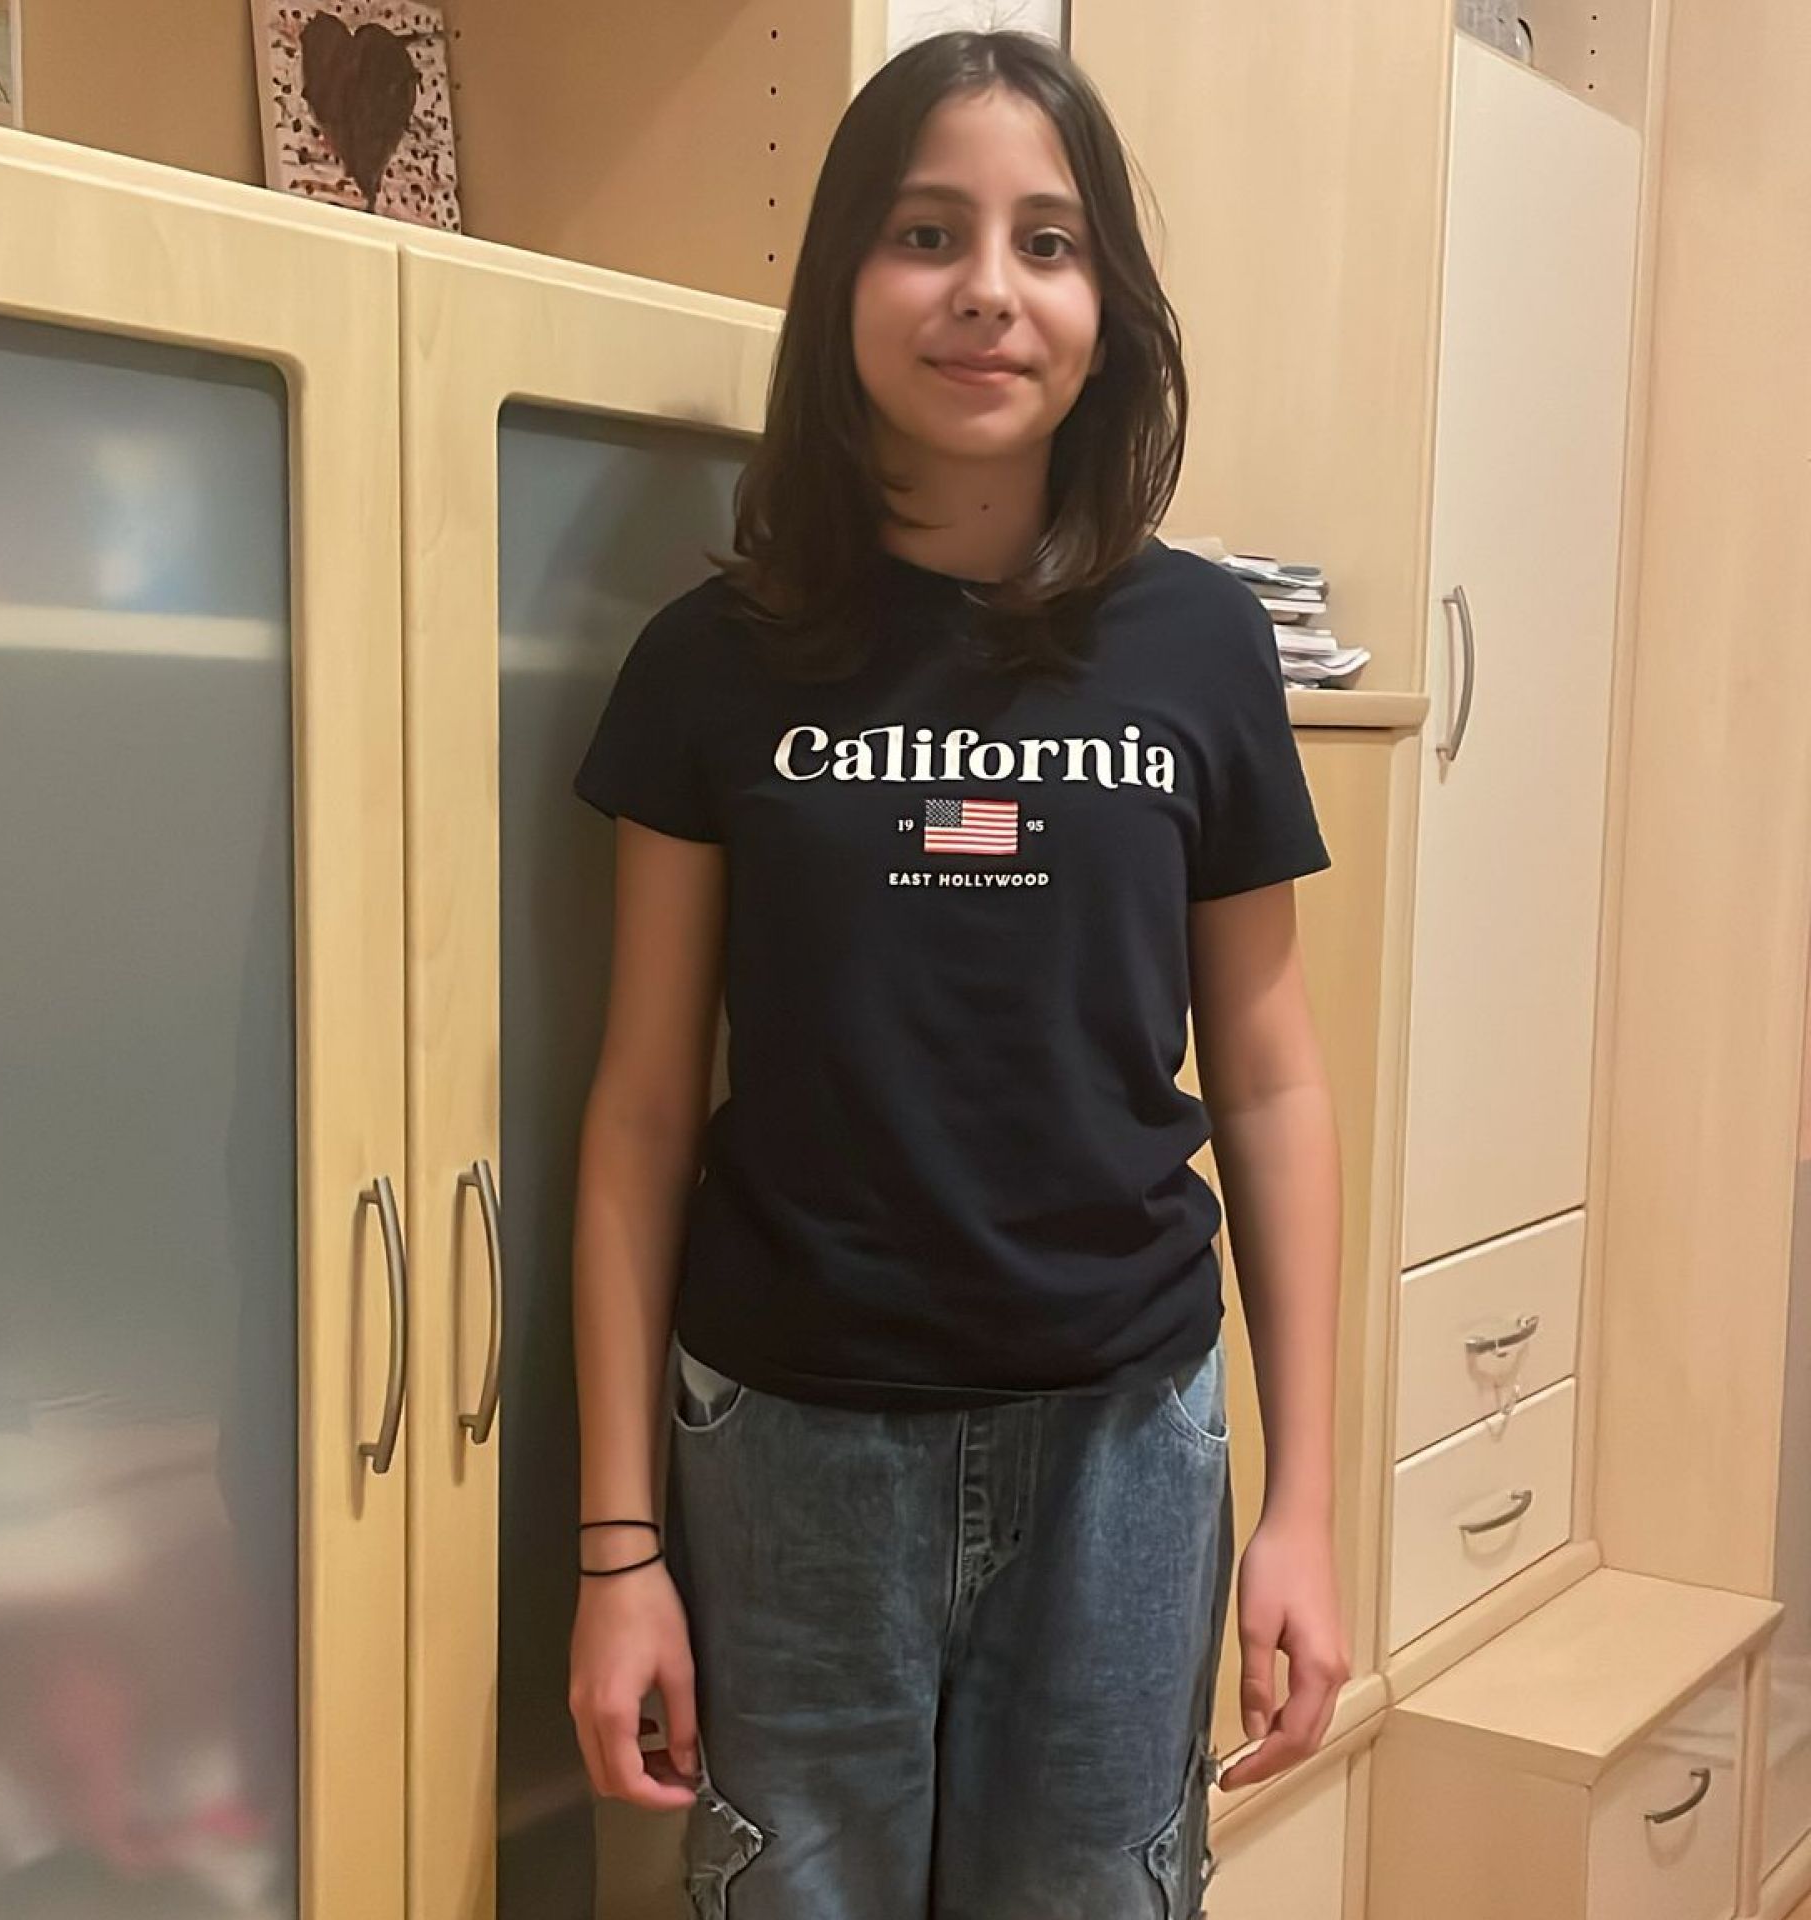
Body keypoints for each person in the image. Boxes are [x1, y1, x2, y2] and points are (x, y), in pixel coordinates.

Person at [566, 27, 1350, 1919]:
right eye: (927, 233)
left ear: (1107, 305)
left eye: (1047, 243)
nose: (988, 290)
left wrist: (1307, 1507)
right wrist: (616, 1549)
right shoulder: (712, 661)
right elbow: (646, 1107)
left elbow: (1269, 1076)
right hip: (787, 1445)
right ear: (843, 280)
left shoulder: (1203, 646)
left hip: (1127, 1450)